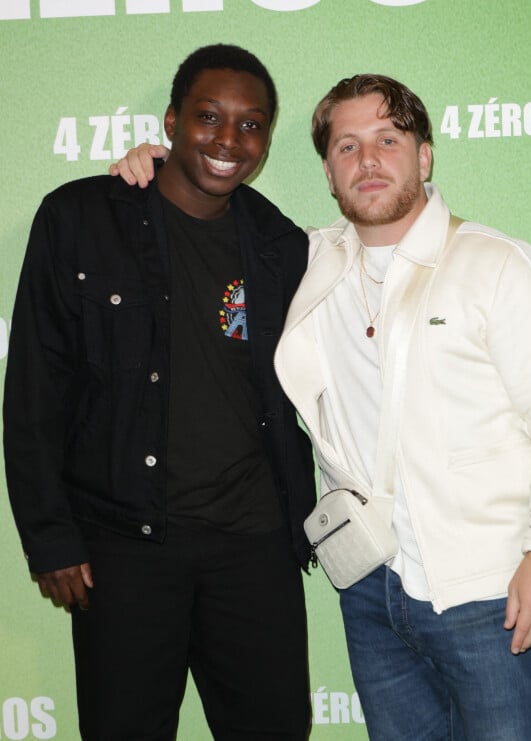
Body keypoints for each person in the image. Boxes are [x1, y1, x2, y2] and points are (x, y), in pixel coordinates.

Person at [3, 44, 316, 741]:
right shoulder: (79, 218)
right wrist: (49, 536)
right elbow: (34, 389)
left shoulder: (282, 246)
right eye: (208, 117)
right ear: (172, 120)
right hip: (123, 549)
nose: (229, 140)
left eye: (251, 124)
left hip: (255, 549)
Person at [273, 73, 531, 740]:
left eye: (388, 138)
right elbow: (210, 218)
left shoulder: (498, 263)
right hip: (368, 590)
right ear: (328, 172)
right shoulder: (310, 261)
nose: (369, 160)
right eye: (347, 146)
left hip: (490, 589)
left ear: (424, 154)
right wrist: (153, 164)